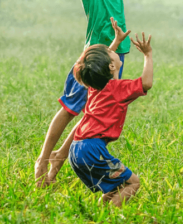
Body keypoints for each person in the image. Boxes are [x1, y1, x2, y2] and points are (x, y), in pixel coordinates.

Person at [34, 0, 162, 186]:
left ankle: (58, 162)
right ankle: (44, 159)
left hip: (117, 53)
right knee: (69, 109)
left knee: (96, 110)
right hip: (95, 55)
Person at [66, 29, 154, 207]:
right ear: (111, 66)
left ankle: (101, 213)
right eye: (111, 52)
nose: (112, 50)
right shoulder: (118, 90)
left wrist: (116, 41)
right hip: (92, 149)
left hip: (75, 149)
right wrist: (148, 55)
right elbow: (146, 82)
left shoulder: (94, 86)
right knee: (133, 183)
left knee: (114, 188)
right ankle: (110, 218)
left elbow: (101, 65)